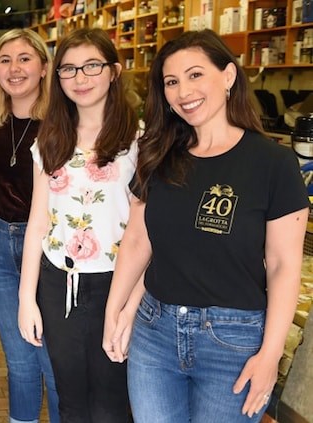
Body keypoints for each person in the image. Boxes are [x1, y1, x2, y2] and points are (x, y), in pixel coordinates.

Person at [102, 29, 309, 422]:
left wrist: (270, 354)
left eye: (196, 75)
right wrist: (116, 311)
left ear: (229, 76)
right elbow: (138, 240)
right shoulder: (159, 155)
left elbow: (284, 267)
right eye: (172, 82)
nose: (183, 92)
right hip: (155, 333)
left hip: (233, 342)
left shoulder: (274, 164)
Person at [18, 28, 139, 422]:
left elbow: (149, 232)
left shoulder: (140, 139)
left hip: (116, 283)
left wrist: (131, 303)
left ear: (114, 71)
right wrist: (26, 300)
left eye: (91, 66)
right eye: (69, 69)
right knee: (68, 398)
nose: (80, 78)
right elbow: (37, 223)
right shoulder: (51, 138)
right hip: (59, 284)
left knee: (111, 403)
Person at [0, 28, 60, 423]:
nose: (14, 68)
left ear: (44, 67)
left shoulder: (64, 124)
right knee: (20, 361)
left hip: (50, 248)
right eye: (5, 60)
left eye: (25, 58)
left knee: (53, 363)